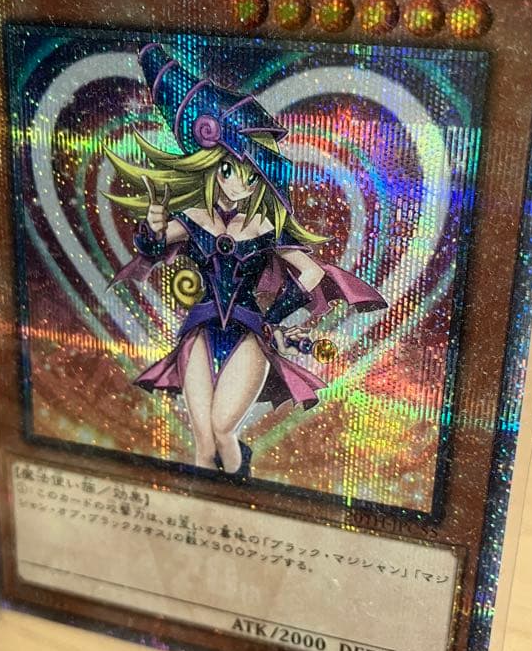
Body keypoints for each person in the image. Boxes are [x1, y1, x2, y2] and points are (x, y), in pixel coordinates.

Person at [107, 43, 386, 479]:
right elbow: (153, 249)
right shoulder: (195, 218)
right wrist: (153, 227)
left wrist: (273, 318)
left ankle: (242, 483)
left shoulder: (264, 226)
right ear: (210, 166)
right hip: (199, 330)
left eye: (248, 174)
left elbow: (312, 271)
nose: (236, 183)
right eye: (226, 170)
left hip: (249, 335)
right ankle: (207, 504)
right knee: (202, 444)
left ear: (260, 177)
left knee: (223, 431)